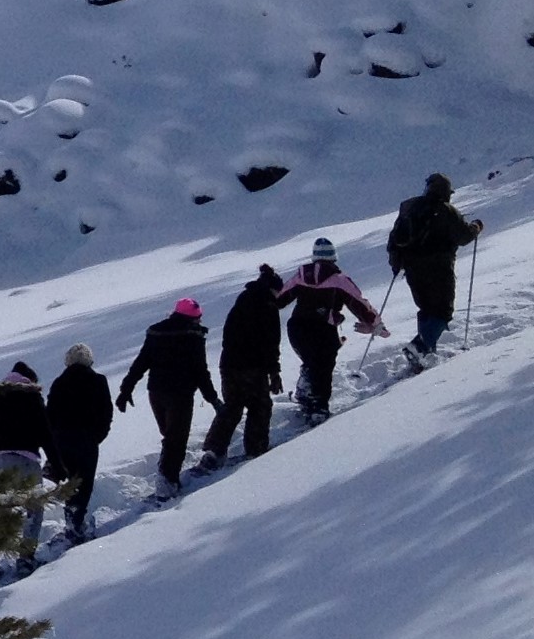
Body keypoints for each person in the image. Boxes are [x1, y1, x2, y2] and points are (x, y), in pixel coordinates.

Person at [118, 298, 222, 499]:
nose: (200, 321)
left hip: (156, 393)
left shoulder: (156, 332)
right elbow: (200, 371)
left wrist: (126, 390)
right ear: (191, 318)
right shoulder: (193, 336)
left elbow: (141, 362)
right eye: (198, 318)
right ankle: (167, 483)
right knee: (177, 438)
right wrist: (213, 399)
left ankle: (166, 475)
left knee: (170, 436)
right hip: (180, 394)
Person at [388, 173, 484, 368]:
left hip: (412, 269)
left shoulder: (409, 207)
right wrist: (476, 227)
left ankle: (424, 355)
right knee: (442, 312)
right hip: (439, 268)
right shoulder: (446, 210)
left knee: (426, 309)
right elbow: (463, 237)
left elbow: (394, 240)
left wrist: (396, 265)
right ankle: (420, 347)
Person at [276, 239, 382, 419]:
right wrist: (376, 324)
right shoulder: (339, 280)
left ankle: (305, 390)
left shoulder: (301, 276)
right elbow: (358, 303)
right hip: (323, 330)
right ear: (333, 258)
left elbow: (280, 300)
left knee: (311, 360)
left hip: (297, 328)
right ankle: (318, 406)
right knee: (323, 366)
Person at [199, 265, 285, 468]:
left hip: (229, 363)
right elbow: (271, 343)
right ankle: (256, 448)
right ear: (273, 289)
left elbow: (228, 335)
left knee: (232, 407)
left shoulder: (242, 302)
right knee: (260, 406)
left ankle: (214, 450)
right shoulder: (268, 306)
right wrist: (274, 372)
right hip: (253, 366)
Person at [0, 361, 49, 571]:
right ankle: (26, 559)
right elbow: (45, 433)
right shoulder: (33, 398)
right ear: (30, 380)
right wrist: (57, 461)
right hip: (26, 460)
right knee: (33, 509)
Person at [44, 344, 112, 541]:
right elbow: (106, 412)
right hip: (87, 440)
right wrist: (98, 436)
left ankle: (72, 520)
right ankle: (76, 522)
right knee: (84, 483)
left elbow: (50, 415)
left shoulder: (59, 383)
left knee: (70, 482)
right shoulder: (98, 380)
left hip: (62, 440)